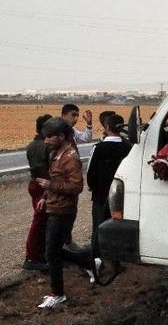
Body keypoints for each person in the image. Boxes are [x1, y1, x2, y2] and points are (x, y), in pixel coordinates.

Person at [36, 117, 93, 309]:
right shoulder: (56, 152)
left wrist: (50, 186)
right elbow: (54, 178)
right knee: (53, 251)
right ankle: (88, 262)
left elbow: (76, 186)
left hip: (63, 211)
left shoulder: (70, 156)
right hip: (54, 206)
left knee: (51, 252)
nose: (45, 141)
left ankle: (58, 294)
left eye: (49, 137)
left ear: (61, 136)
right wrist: (45, 195)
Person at [87, 114, 131, 259]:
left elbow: (90, 172)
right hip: (123, 196)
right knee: (118, 226)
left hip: (100, 195)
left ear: (106, 127)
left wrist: (93, 187)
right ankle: (117, 258)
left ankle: (96, 259)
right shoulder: (129, 147)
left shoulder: (98, 148)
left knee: (98, 227)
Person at [23, 114, 53, 271]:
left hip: (36, 184)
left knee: (42, 221)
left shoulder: (33, 144)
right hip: (42, 185)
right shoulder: (44, 146)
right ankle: (32, 257)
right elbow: (45, 170)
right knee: (40, 221)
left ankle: (38, 255)